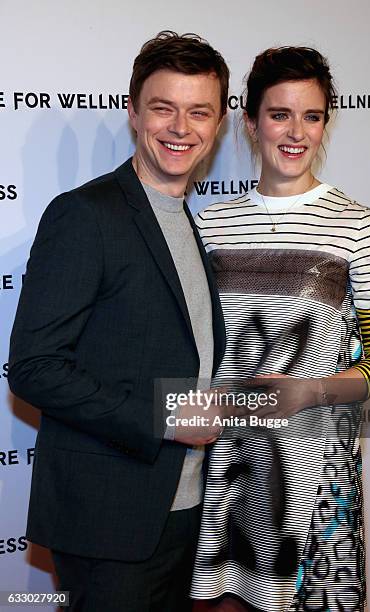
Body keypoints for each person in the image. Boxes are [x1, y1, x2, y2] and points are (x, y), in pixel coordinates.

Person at [8, 31, 231, 612]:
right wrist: (166, 416)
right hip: (110, 522)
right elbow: (33, 368)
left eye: (198, 111)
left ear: (219, 123)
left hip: (184, 513)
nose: (180, 127)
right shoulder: (85, 215)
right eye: (163, 108)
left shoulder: (187, 220)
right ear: (133, 112)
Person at [191, 47, 370, 611]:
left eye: (311, 116)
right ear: (250, 121)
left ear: (326, 123)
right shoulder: (208, 225)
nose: (295, 132)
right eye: (280, 114)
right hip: (224, 467)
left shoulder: (362, 226)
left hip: (316, 474)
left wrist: (313, 391)